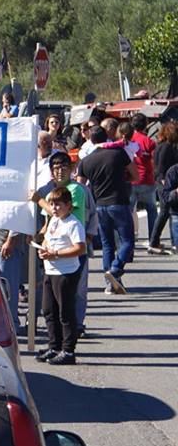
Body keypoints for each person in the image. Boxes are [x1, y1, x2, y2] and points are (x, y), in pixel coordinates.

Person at [78, 126, 138, 295]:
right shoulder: (119, 154)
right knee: (127, 241)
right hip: (118, 201)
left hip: (99, 205)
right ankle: (115, 269)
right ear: (108, 137)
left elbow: (80, 186)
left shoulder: (86, 160)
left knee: (107, 244)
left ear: (91, 140)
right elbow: (136, 175)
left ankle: (110, 283)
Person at [34, 186, 86, 366]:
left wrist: (56, 254)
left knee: (65, 312)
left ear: (69, 206)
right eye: (52, 204)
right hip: (50, 270)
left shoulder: (73, 224)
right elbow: (48, 239)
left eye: (59, 205)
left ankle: (68, 351)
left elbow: (80, 248)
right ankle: (54, 346)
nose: (55, 208)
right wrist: (43, 247)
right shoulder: (54, 221)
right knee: (49, 310)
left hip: (66, 272)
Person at [127, 113, 158, 245]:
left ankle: (128, 240)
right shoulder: (149, 142)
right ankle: (153, 239)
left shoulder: (127, 140)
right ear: (146, 125)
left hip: (130, 181)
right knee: (151, 210)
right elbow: (155, 162)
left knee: (128, 212)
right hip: (147, 180)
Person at [149, 121, 178, 253]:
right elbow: (161, 167)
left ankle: (173, 241)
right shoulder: (166, 147)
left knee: (169, 212)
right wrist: (163, 180)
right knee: (165, 212)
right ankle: (154, 241)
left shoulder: (162, 145)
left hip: (164, 181)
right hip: (165, 182)